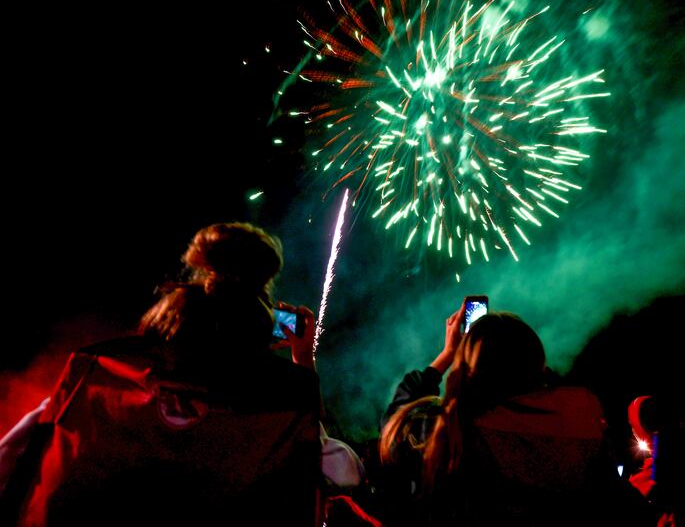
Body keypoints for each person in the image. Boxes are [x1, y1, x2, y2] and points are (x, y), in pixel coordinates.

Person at [0, 222, 326, 527]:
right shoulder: (280, 407)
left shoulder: (99, 377)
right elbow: (330, 462)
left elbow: (15, 459)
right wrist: (301, 358)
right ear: (258, 322)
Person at [380, 302, 651, 526]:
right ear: (537, 364)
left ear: (469, 369)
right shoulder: (582, 431)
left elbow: (395, 422)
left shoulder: (451, 435)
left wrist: (447, 354)